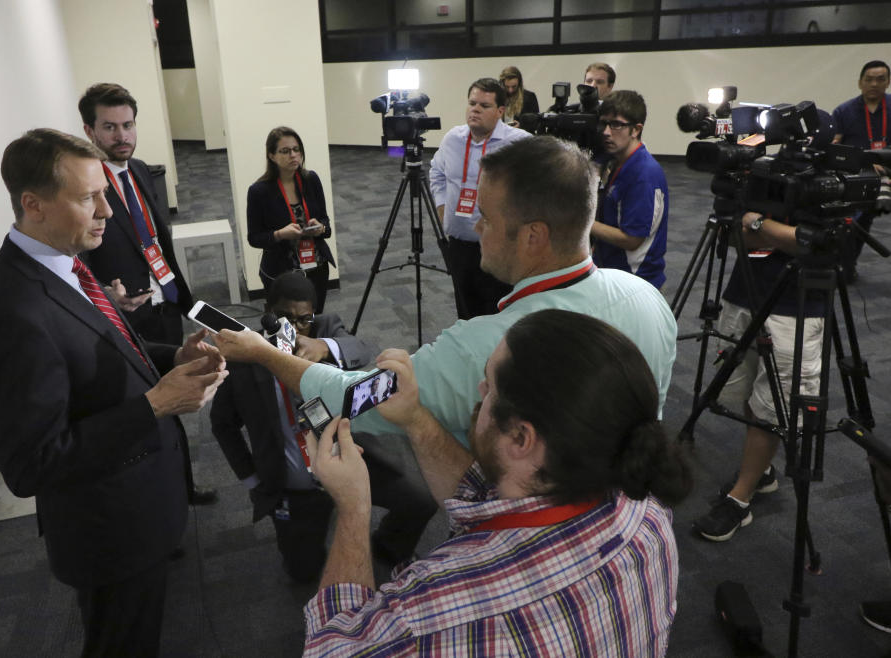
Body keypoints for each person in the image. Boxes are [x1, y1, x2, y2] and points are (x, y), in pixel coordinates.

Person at [214, 136, 678, 454]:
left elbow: (351, 398)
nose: (475, 228)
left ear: (534, 236)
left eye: (487, 220)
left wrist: (266, 354)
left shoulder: (488, 347)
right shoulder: (650, 300)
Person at [0, 129, 228, 656]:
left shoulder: (64, 262)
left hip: (140, 509)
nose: (108, 210)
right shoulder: (11, 311)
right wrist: (156, 404)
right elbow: (29, 465)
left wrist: (171, 358)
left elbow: (99, 353)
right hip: (108, 534)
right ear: (33, 205)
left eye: (105, 192)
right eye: (90, 197)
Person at [301, 309, 692, 656]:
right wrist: (414, 418)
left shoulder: (426, 617)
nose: (480, 391)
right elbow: (490, 499)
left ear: (521, 438)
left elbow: (330, 647)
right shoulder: (648, 509)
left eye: (489, 384)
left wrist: (353, 507)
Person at [210, 273, 436, 578]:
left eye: (303, 319)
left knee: (421, 502)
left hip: (354, 461)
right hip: (296, 485)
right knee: (303, 573)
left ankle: (386, 548)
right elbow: (222, 425)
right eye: (283, 317)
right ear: (267, 311)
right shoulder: (245, 358)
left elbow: (362, 348)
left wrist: (324, 346)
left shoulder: (325, 331)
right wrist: (253, 480)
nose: (292, 328)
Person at [79, 82, 217, 506]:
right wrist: (100, 293)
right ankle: (154, 504)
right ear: (90, 131)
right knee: (139, 412)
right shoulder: (84, 184)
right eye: (110, 127)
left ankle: (182, 486)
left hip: (162, 306)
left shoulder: (139, 169)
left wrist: (180, 295)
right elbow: (73, 249)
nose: (122, 136)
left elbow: (155, 239)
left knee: (173, 395)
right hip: (121, 316)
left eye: (128, 125)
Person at [693, 211, 826, 542]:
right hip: (745, 292)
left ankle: (740, 501)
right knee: (751, 392)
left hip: (798, 306)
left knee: (773, 404)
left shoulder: (841, 173)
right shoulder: (776, 169)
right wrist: (784, 235)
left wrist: (761, 225)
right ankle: (762, 471)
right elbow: (738, 235)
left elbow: (819, 244)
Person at [429, 77, 530, 320]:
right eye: (472, 103)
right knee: (466, 312)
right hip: (460, 243)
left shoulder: (518, 143)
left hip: (498, 246)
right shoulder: (453, 139)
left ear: (500, 111)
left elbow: (537, 187)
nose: (475, 109)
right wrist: (442, 208)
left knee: (498, 315)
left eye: (484, 106)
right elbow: (437, 172)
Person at [247, 126, 335, 313]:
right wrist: (279, 234)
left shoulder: (311, 179)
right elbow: (254, 238)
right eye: (285, 151)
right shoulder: (259, 192)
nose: (293, 155)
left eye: (296, 149)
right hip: (281, 273)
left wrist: (321, 228)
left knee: (313, 323)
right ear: (271, 156)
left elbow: (326, 222)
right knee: (285, 331)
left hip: (316, 268)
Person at [591, 90, 669, 289]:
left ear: (636, 130)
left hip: (635, 282)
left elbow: (632, 239)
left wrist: (581, 222)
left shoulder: (643, 174)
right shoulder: (617, 161)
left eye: (616, 124)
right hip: (613, 273)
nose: (606, 132)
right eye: (604, 124)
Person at [831, 60, 891, 281]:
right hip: (857, 175)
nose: (874, 84)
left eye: (880, 79)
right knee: (853, 222)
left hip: (888, 174)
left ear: (888, 82)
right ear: (860, 83)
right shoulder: (844, 111)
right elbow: (835, 146)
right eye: (869, 79)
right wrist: (863, 161)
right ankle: (846, 266)